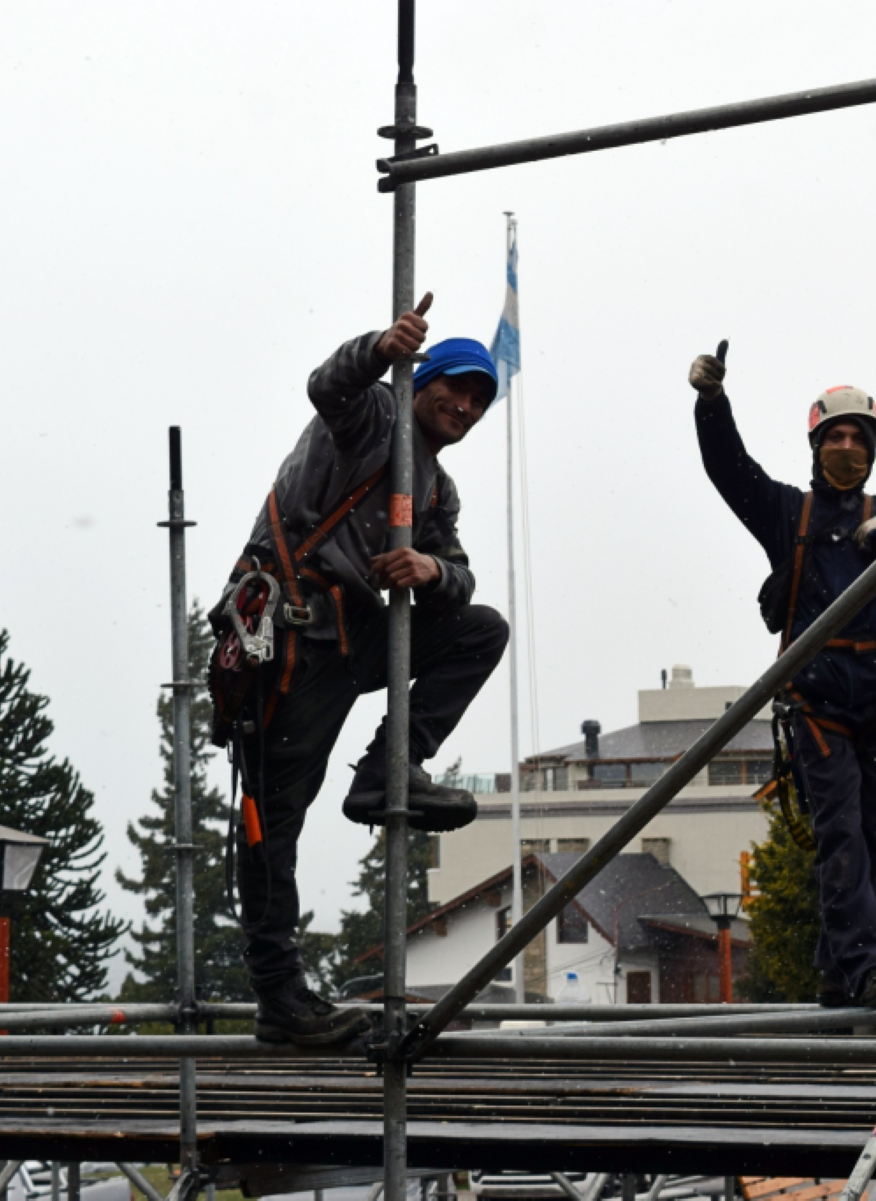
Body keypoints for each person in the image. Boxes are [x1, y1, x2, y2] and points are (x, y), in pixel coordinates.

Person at [209, 294, 510, 1045]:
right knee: (273, 821)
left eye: (479, 399)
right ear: (419, 379)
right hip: (294, 632)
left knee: (478, 628)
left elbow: (461, 576)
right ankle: (281, 996)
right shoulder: (371, 415)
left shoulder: (436, 486)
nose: (466, 405)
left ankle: (389, 768)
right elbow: (327, 386)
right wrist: (381, 345)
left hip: (350, 635)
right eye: (456, 387)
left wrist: (430, 569)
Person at [688, 347, 876, 1009]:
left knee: (866, 838)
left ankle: (834, 966)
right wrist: (712, 404)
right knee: (842, 833)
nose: (846, 447)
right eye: (835, 437)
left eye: (857, 438)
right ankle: (862, 970)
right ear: (816, 445)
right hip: (818, 704)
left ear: (872, 448)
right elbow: (730, 471)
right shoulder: (789, 515)